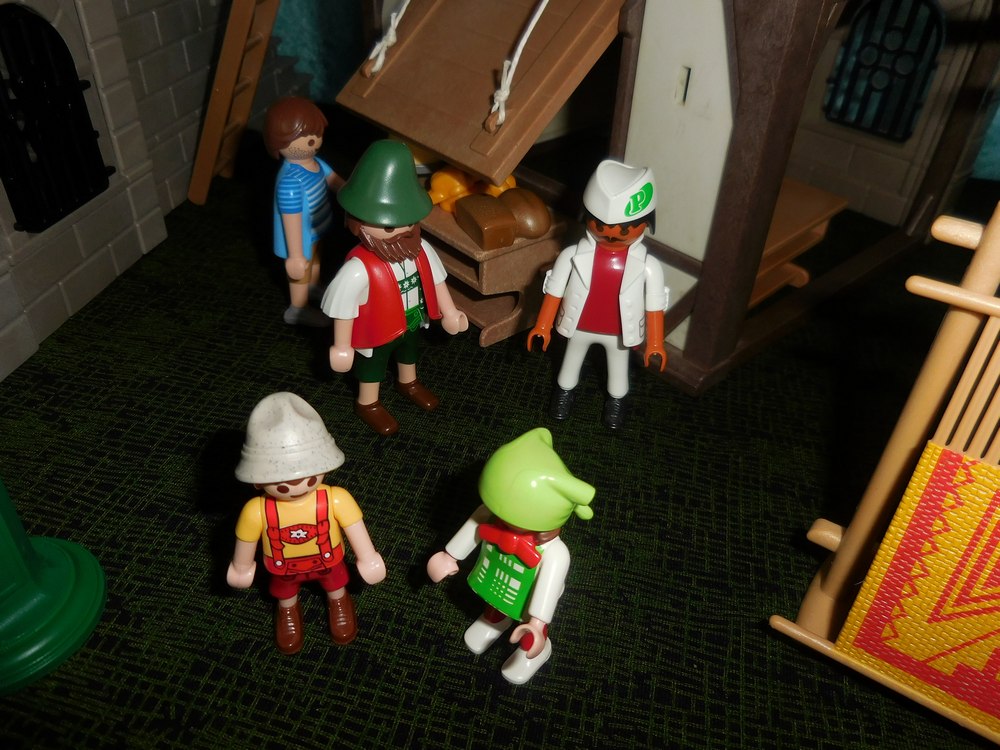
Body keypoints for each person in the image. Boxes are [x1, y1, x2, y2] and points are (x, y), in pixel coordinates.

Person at [321, 140, 468, 435]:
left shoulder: (421, 249)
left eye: (408, 221)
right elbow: (343, 308)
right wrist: (341, 345)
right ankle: (368, 402)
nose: (402, 231)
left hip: (412, 319)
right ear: (357, 223)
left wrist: (450, 312)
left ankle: (408, 382)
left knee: (410, 352)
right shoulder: (359, 268)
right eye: (389, 226)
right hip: (376, 330)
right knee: (372, 367)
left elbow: (437, 280)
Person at [427, 428, 595, 684]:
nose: (497, 516)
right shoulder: (493, 513)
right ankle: (494, 621)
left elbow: (546, 591)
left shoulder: (556, 553)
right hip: (496, 572)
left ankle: (534, 653)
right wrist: (450, 556)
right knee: (495, 601)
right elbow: (474, 525)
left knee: (529, 628)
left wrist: (537, 623)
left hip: (532, 593)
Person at [227, 392, 386, 654]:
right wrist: (241, 567)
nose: (298, 486)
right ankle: (287, 610)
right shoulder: (256, 511)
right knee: (285, 593)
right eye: (281, 483)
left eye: (310, 476)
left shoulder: (336, 499)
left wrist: (368, 558)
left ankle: (339, 602)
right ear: (257, 481)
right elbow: (245, 543)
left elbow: (356, 529)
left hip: (328, 561)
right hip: (283, 568)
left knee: (336, 585)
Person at [528, 159, 668, 430]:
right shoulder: (572, 255)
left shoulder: (647, 265)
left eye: (625, 228)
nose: (612, 235)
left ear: (645, 223)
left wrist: (655, 342)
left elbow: (655, 305)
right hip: (579, 324)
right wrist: (542, 325)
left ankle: (616, 403)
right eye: (600, 225)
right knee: (570, 363)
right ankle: (563, 394)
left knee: (618, 369)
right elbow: (554, 291)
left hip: (619, 331)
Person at [264, 97, 344, 326]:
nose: (314, 141)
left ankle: (312, 287)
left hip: (316, 229)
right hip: (299, 238)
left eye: (316, 135)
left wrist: (351, 192)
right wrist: (295, 255)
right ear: (279, 143)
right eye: (305, 137)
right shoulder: (290, 181)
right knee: (301, 272)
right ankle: (297, 309)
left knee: (315, 260)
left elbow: (335, 181)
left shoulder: (317, 163)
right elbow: (291, 219)